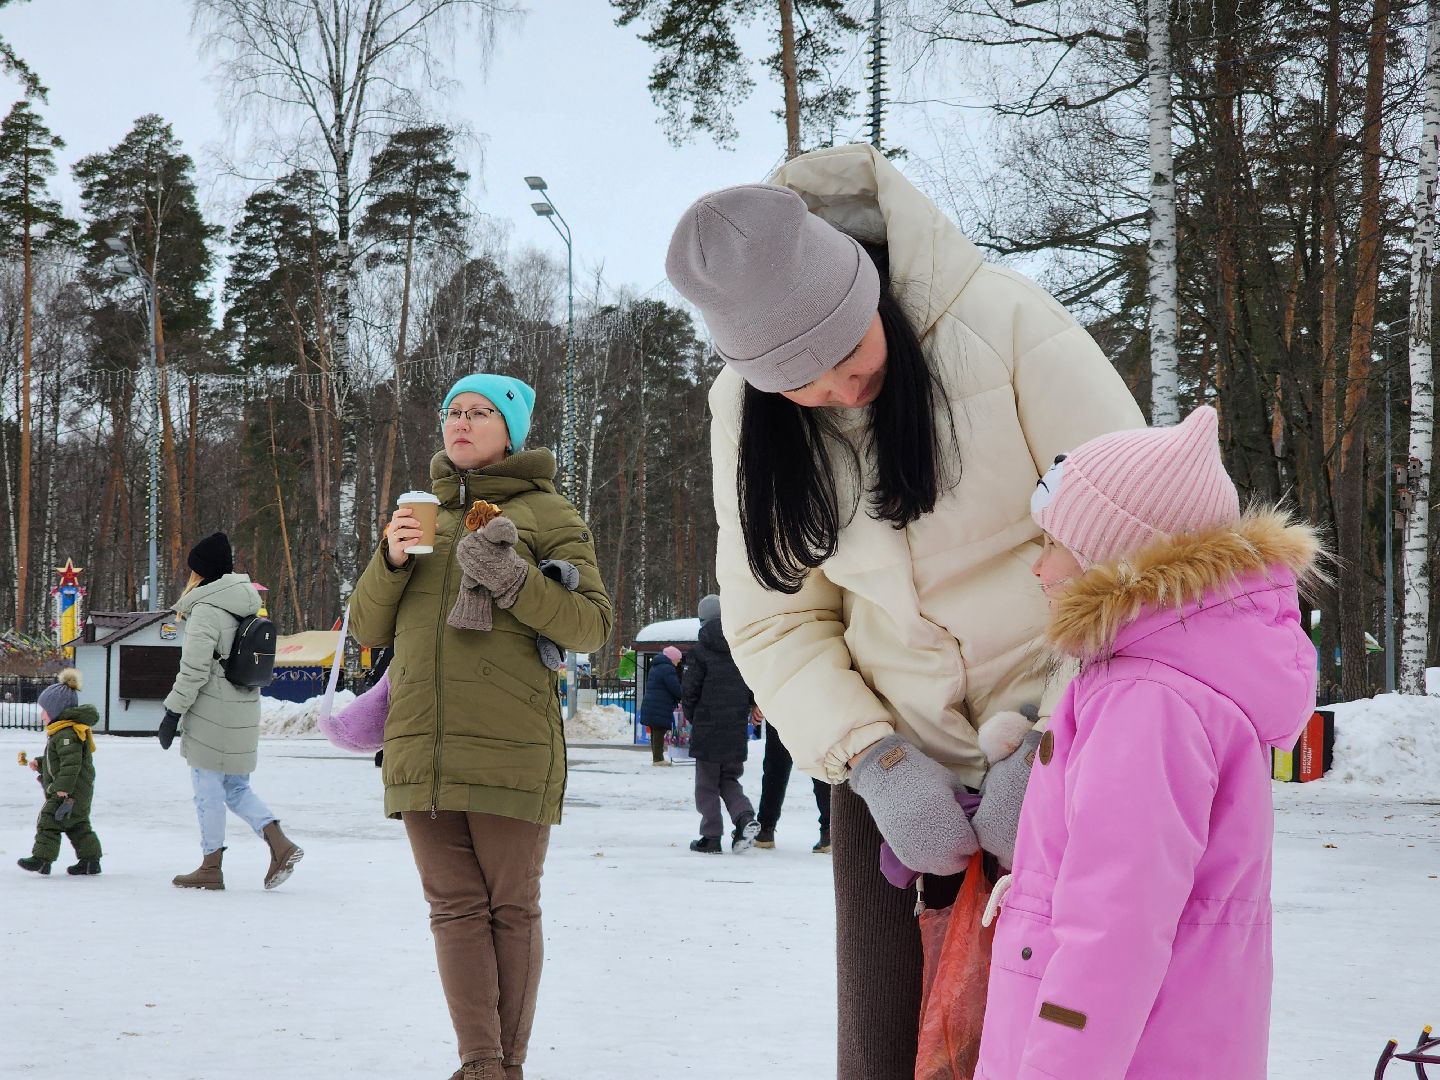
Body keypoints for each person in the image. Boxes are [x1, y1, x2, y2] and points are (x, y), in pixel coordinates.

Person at [665, 143, 1144, 1078]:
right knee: (890, 1051)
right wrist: (874, 760)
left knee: (1061, 1049)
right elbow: (775, 617)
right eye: (799, 384)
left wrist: (1056, 736)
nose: (839, 391)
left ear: (868, 295)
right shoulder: (744, 413)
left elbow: (1140, 535)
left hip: (1072, 750)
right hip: (895, 781)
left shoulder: (1002, 322)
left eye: (849, 354)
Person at [975, 406, 1320, 1079]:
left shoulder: (1147, 704)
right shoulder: (1171, 684)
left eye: (1054, 544)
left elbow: (1114, 933)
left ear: (1113, 557)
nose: (1040, 569)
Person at [350, 373, 613, 1080]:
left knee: (510, 909)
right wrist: (392, 558)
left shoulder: (549, 512)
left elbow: (591, 626)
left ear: (512, 431)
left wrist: (515, 578)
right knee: (454, 910)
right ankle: (482, 1064)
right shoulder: (420, 511)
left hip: (510, 743)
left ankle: (505, 1066)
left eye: (480, 413)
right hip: (420, 743)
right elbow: (367, 628)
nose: (460, 423)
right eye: (452, 412)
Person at [158, 532, 302, 892]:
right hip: (242, 705)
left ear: (200, 572)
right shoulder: (246, 603)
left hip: (211, 711)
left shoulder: (205, 609)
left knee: (207, 789)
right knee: (236, 787)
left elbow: (194, 670)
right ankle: (279, 843)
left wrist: (172, 713)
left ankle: (211, 865)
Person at [681, 593, 760, 854]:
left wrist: (695, 718)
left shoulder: (699, 653)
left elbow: (689, 692)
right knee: (729, 778)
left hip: (708, 729)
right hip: (736, 728)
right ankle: (745, 817)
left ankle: (711, 836)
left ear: (702, 621)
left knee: (706, 784)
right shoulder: (741, 651)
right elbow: (752, 689)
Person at [17, 668, 103, 876]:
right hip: (78, 791)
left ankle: (41, 860)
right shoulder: (64, 732)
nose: (42, 715)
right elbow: (59, 759)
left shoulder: (66, 734)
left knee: (49, 820)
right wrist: (41, 763)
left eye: (44, 710)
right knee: (77, 825)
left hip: (68, 792)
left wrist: (62, 789)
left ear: (55, 711)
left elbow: (71, 764)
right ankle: (91, 862)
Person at [755, 711, 832, 853]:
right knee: (818, 766)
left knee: (776, 768)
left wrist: (760, 703)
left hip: (781, 708)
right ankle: (829, 831)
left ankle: (765, 830)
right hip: (813, 710)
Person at [639, 645, 684, 765]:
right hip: (660, 703)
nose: (679, 661)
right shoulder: (667, 668)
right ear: (673, 658)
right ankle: (658, 759)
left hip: (653, 702)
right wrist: (683, 695)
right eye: (678, 659)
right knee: (659, 729)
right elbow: (674, 687)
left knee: (655, 730)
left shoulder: (656, 666)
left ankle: (656, 757)